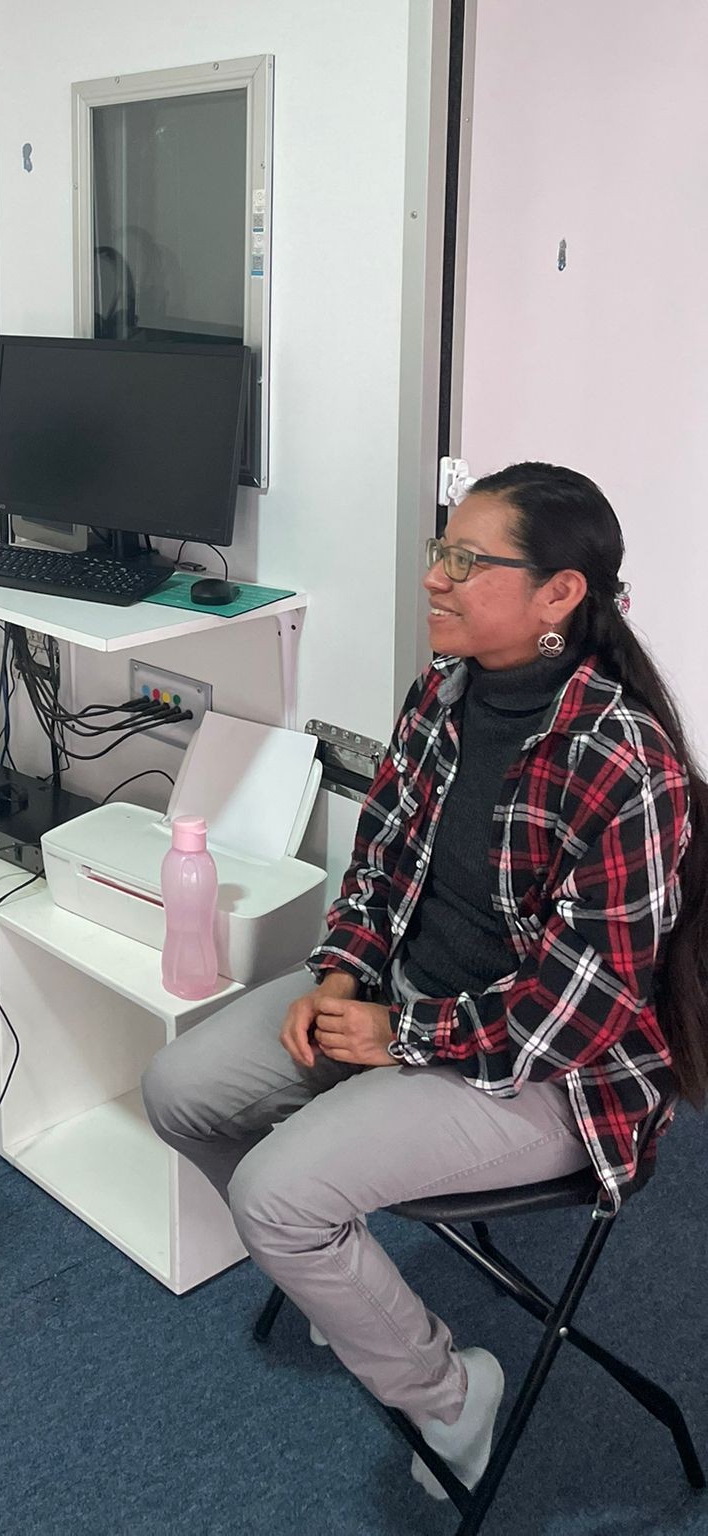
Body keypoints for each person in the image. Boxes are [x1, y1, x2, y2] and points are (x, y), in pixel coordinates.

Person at [142, 462, 706, 1499]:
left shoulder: (626, 765)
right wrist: (348, 971)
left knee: (277, 1198)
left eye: (465, 560)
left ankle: (452, 1395)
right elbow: (381, 863)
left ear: (559, 595)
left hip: (551, 1083)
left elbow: (572, 1018)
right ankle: (341, 1285)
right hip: (410, 1005)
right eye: (439, 551)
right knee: (180, 1091)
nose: (434, 577)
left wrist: (400, 1032)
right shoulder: (444, 697)